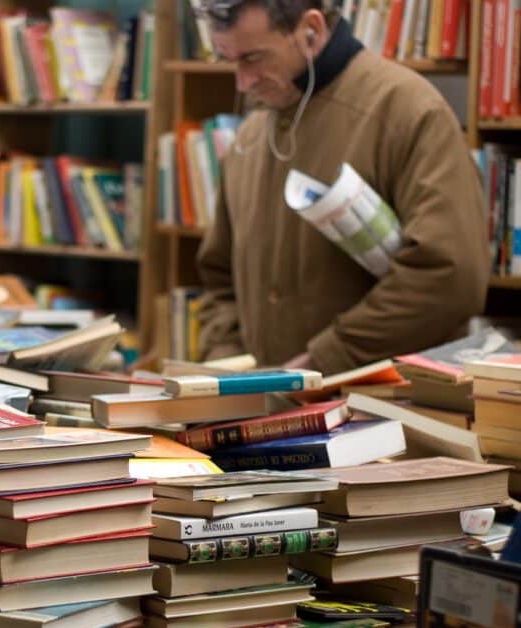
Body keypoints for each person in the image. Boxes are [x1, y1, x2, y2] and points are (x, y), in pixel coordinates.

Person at [195, 0, 489, 374]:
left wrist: (328, 357)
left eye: (253, 58)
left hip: (384, 412)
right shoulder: (250, 136)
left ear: (311, 30)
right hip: (261, 410)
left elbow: (449, 277)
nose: (243, 82)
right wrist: (226, 366)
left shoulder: (408, 112)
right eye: (230, 60)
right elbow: (219, 279)